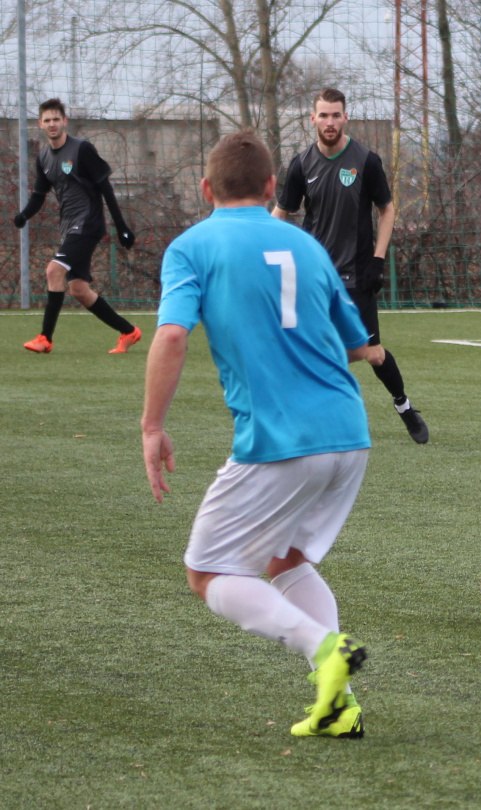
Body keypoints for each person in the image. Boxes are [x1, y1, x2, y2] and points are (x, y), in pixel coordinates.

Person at [143, 130, 371, 738]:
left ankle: (324, 649)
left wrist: (152, 425)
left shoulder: (192, 247)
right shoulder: (307, 245)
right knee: (284, 559)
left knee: (207, 574)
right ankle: (339, 705)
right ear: (273, 187)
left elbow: (171, 335)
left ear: (205, 189)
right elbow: (356, 344)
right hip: (349, 432)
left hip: (280, 440)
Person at [272, 87, 428, 444]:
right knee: (307, 349)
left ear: (345, 117)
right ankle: (311, 419)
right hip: (314, 277)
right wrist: (255, 248)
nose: (329, 122)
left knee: (372, 354)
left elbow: (386, 210)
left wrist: (378, 259)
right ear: (312, 119)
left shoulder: (366, 161)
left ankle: (403, 405)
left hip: (356, 275)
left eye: (335, 115)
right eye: (323, 115)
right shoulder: (301, 164)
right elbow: (281, 212)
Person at [13, 98, 141, 354]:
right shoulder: (43, 157)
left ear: (65, 121)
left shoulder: (82, 149)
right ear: (40, 124)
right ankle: (129, 332)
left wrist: (121, 226)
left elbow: (105, 187)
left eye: (56, 119)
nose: (52, 124)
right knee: (80, 290)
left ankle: (45, 338)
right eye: (47, 120)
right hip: (70, 226)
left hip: (88, 223)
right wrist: (24, 215)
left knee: (53, 271)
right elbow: (39, 195)